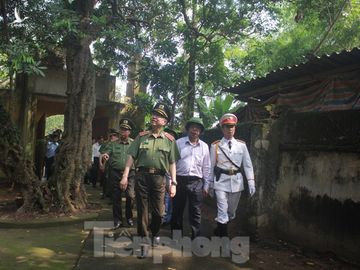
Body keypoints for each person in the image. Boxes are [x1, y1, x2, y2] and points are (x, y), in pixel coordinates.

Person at [120, 102, 180, 258]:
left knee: (159, 213)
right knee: (142, 211)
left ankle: (154, 232)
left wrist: (173, 183)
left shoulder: (170, 140)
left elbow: (173, 162)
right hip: (142, 177)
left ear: (165, 122)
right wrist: (125, 176)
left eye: (159, 115)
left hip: (159, 178)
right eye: (154, 114)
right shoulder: (141, 137)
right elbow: (131, 156)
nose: (154, 117)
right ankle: (144, 243)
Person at [203, 113, 256, 237]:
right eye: (227, 126)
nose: (230, 129)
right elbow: (211, 167)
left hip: (237, 182)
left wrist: (251, 182)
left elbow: (248, 165)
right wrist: (209, 184)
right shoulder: (215, 146)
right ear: (222, 128)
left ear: (235, 127)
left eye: (232, 126)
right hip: (221, 181)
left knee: (231, 212)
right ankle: (223, 238)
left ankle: (218, 230)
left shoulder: (241, 145)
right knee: (222, 210)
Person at [171, 117, 211, 239]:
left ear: (200, 132)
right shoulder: (178, 143)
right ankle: (176, 236)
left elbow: (207, 167)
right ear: (188, 129)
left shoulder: (204, 147)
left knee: (196, 211)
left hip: (196, 182)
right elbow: (172, 162)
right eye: (193, 127)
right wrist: (171, 182)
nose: (195, 130)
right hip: (180, 180)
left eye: (198, 129)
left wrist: (206, 185)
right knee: (177, 209)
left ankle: (196, 237)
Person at [100, 120, 136, 229]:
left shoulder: (134, 143)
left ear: (129, 132)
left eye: (126, 130)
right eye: (122, 129)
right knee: (116, 197)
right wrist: (105, 155)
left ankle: (129, 217)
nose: (123, 132)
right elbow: (106, 152)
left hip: (130, 174)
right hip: (115, 173)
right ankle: (118, 220)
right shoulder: (113, 144)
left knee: (130, 196)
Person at [162, 128, 178, 226]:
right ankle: (164, 216)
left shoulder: (176, 147)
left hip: (171, 175)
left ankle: (168, 217)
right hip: (161, 174)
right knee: (163, 197)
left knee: (169, 197)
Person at [99, 129, 119, 199]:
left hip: (115, 165)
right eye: (111, 135)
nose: (112, 137)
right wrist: (101, 164)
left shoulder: (118, 144)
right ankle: (104, 193)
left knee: (113, 182)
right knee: (105, 180)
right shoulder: (106, 143)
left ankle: (112, 197)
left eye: (114, 135)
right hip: (107, 165)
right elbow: (102, 154)